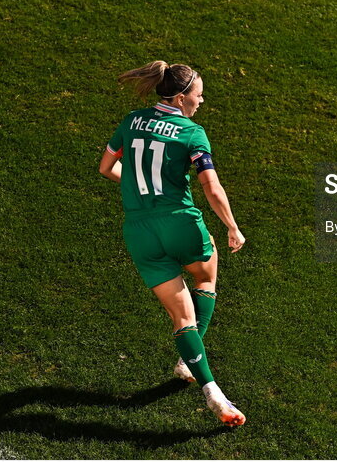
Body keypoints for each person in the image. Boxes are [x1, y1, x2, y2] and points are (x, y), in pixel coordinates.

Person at [98, 60, 247, 427]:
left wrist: (140, 190)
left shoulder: (131, 120)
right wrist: (233, 227)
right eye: (198, 96)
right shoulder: (192, 132)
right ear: (181, 98)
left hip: (139, 230)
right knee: (205, 278)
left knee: (180, 317)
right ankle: (186, 363)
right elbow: (211, 186)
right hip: (180, 222)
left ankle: (213, 391)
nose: (201, 102)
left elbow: (106, 168)